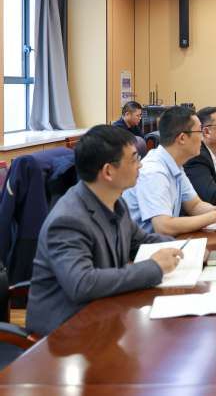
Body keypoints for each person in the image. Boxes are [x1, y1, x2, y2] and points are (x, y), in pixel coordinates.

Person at [26, 125, 182, 336]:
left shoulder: (116, 202)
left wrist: (190, 248)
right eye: (134, 159)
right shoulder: (68, 219)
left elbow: (140, 241)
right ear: (108, 171)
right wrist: (154, 268)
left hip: (105, 315)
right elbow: (82, 283)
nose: (141, 165)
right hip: (65, 333)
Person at [123, 106, 216, 236]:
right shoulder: (154, 171)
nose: (202, 138)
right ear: (182, 138)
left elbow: (194, 205)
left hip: (165, 242)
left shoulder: (175, 164)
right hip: (145, 246)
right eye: (199, 132)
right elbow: (163, 227)